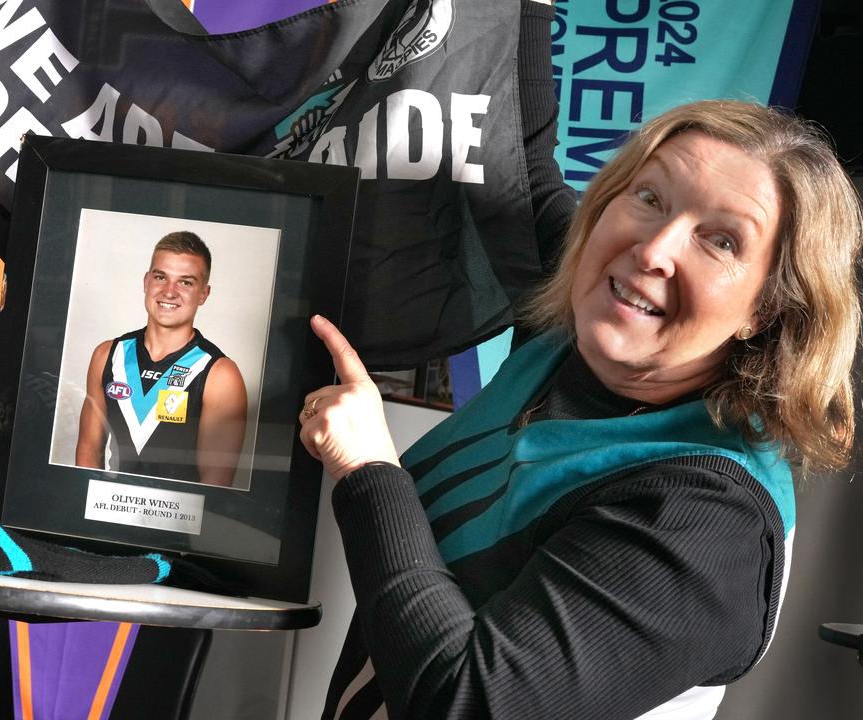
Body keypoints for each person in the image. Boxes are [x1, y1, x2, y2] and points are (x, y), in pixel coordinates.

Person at [299, 97, 862, 719]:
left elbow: (471, 705)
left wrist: (368, 470)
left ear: (767, 310)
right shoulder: (583, 334)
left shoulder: (706, 519)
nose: (654, 249)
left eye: (721, 240)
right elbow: (530, 166)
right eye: (651, 197)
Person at [76, 231, 248, 486]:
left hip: (176, 521)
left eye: (186, 282)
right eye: (160, 277)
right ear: (146, 282)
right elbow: (89, 450)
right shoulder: (108, 355)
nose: (169, 292)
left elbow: (216, 483)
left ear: (203, 293)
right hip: (108, 510)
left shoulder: (220, 374)